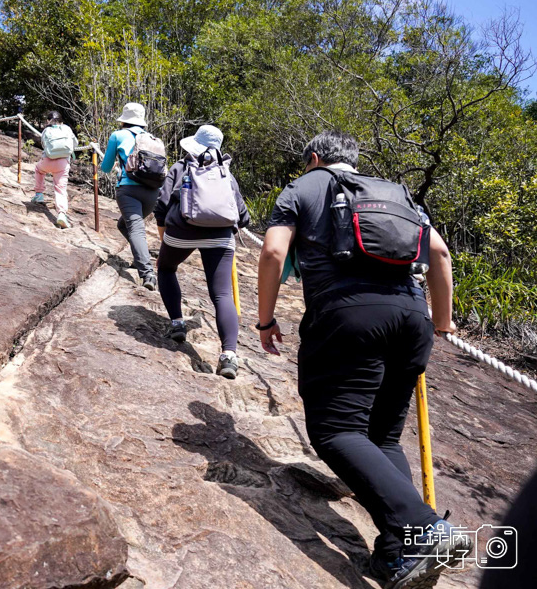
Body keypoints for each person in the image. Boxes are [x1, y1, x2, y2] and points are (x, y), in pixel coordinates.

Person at [257, 130, 469, 588]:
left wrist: (265, 320)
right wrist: (443, 322)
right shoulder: (394, 194)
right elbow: (440, 253)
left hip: (348, 315)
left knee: (336, 431)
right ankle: (395, 556)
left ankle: (427, 529)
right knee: (382, 436)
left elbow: (274, 250)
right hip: (412, 317)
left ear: (314, 157)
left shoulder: (304, 186)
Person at [153, 125, 250, 378]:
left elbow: (161, 205)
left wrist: (164, 232)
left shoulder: (180, 167)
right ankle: (229, 355)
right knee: (222, 294)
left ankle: (177, 324)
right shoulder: (225, 173)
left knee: (165, 268)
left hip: (181, 232)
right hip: (221, 236)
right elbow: (243, 216)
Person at [101, 102, 160, 290]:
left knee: (135, 229)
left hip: (128, 190)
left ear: (124, 120)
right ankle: (139, 257)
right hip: (152, 192)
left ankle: (147, 273)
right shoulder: (152, 138)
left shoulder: (117, 135)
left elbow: (106, 167)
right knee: (123, 225)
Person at [33, 111, 78, 229]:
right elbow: (75, 143)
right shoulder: (67, 129)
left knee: (39, 169)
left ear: (49, 121)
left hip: (48, 160)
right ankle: (62, 214)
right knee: (60, 188)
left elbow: (43, 144)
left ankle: (39, 194)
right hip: (63, 164)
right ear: (61, 120)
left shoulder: (46, 131)